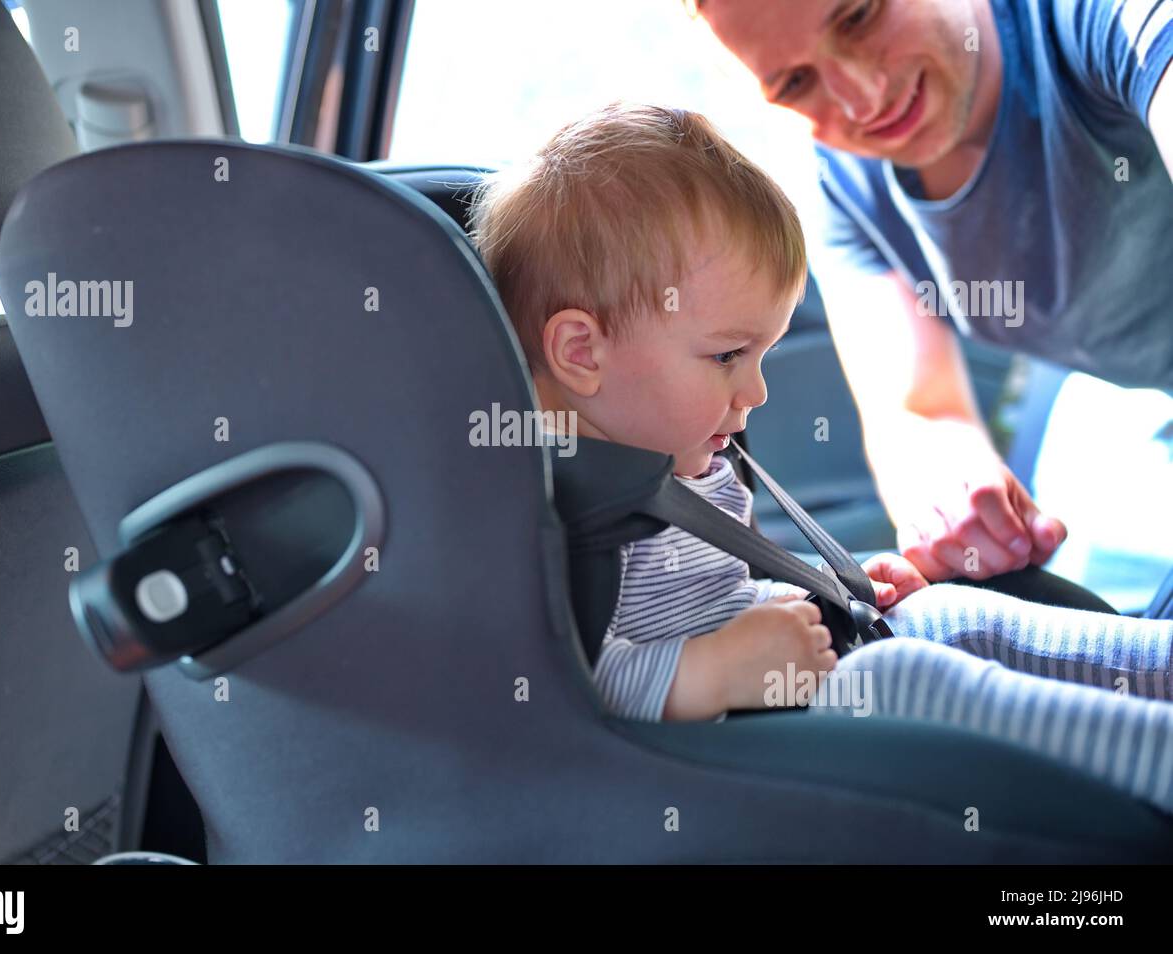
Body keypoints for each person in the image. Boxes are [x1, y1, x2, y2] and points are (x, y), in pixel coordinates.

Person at [469, 101, 1173, 813]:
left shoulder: (677, 463)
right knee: (906, 677)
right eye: (726, 356)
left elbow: (719, 598)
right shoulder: (556, 514)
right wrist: (710, 672)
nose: (757, 390)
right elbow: (558, 690)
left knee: (956, 620)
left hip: (789, 680)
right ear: (582, 352)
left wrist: (832, 593)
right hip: (721, 759)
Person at [686, 0, 1173, 614]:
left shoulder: (1107, 19)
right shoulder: (838, 182)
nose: (863, 99)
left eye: (860, 17)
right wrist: (961, 502)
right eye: (796, 83)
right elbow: (920, 413)